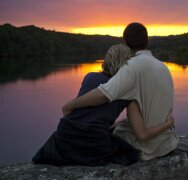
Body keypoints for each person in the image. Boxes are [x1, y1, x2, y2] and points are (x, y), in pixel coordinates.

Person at [33, 43, 174, 166]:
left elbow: (89, 113)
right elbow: (141, 133)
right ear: (128, 63)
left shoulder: (89, 76)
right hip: (92, 143)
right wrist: (167, 124)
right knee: (129, 152)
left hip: (64, 136)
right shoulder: (126, 89)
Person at [62, 22, 180, 161]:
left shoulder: (131, 67)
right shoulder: (163, 67)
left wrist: (71, 105)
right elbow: (145, 112)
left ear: (124, 42)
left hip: (146, 148)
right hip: (167, 144)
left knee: (107, 136)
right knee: (115, 127)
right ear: (147, 41)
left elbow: (104, 94)